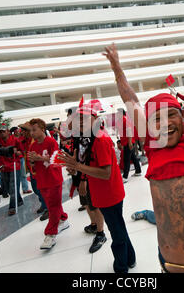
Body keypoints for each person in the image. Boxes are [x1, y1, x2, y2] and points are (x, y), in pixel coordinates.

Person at [100, 0, 184, 273]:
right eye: (156, 119)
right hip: (167, 266)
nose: (166, 123)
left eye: (172, 115)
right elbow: (130, 100)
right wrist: (117, 70)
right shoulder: (153, 145)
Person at [59, 105, 136, 273]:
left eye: (85, 118)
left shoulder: (100, 139)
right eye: (78, 119)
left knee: (116, 232)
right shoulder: (88, 138)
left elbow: (106, 173)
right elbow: (89, 164)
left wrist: (78, 166)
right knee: (119, 227)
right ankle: (130, 258)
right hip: (102, 192)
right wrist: (76, 168)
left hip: (109, 193)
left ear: (95, 119)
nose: (81, 122)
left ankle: (121, 267)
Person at [66, 108, 108, 254]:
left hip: (89, 175)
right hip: (79, 173)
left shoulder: (93, 135)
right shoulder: (77, 135)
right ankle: (94, 224)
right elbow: (78, 155)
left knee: (94, 203)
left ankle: (101, 233)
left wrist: (83, 179)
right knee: (86, 202)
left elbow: (90, 159)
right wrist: (72, 168)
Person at [28, 118, 69, 250]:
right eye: (31, 131)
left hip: (54, 179)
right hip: (42, 180)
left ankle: (50, 234)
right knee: (53, 205)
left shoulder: (51, 141)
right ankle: (63, 219)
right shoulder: (32, 146)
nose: (32, 133)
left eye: (34, 130)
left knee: (52, 207)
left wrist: (40, 158)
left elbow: (56, 159)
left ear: (41, 128)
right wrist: (33, 161)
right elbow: (32, 164)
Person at [18, 122, 48, 220]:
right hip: (31, 169)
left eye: (24, 130)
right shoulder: (25, 140)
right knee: (36, 189)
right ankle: (43, 204)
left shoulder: (35, 140)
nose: (22, 132)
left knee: (42, 189)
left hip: (39, 169)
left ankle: (47, 208)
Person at [0, 125, 23, 216]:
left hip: (14, 166)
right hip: (3, 167)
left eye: (3, 131)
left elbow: (21, 151)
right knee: (8, 188)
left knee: (13, 187)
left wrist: (17, 152)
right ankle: (19, 200)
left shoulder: (15, 140)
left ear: (8, 132)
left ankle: (12, 207)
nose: (2, 133)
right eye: (0, 132)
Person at [116, 109, 142, 183]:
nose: (117, 114)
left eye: (118, 113)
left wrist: (130, 142)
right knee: (133, 157)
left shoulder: (125, 120)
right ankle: (138, 171)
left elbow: (129, 131)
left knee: (126, 159)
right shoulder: (121, 121)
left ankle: (125, 176)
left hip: (129, 142)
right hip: (126, 142)